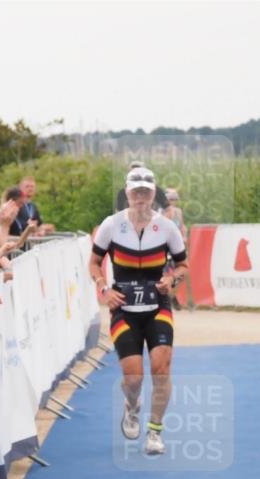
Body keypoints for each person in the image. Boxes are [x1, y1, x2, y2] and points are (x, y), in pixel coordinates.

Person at [89, 167, 188, 455]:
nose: (141, 197)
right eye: (136, 191)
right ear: (128, 193)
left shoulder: (166, 228)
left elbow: (183, 265)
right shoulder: (111, 225)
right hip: (125, 310)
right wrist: (103, 289)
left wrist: (172, 280)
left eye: (146, 191)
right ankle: (132, 406)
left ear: (153, 193)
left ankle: (155, 432)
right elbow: (94, 262)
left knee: (161, 367)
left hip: (158, 307)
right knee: (133, 378)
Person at [162, 188, 188, 310]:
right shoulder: (162, 212)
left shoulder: (178, 211)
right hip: (166, 247)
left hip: (176, 247)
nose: (173, 202)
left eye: (175, 199)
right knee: (163, 273)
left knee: (182, 272)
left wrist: (184, 235)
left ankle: (171, 295)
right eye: (171, 199)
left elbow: (181, 225)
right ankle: (167, 297)